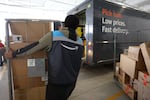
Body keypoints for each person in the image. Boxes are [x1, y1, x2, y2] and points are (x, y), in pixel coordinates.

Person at [5, 15, 84, 100]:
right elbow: (79, 61)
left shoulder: (54, 36)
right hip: (71, 83)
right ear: (76, 27)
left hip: (56, 83)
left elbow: (34, 47)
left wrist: (14, 54)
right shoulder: (80, 42)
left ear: (64, 25)